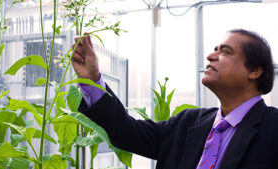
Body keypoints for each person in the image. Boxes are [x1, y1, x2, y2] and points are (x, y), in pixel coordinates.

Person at [71, 29, 278, 169]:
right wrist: (92, 82)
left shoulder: (272, 128)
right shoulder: (187, 123)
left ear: (254, 70)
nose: (210, 56)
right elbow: (127, 131)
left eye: (225, 51)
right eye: (214, 49)